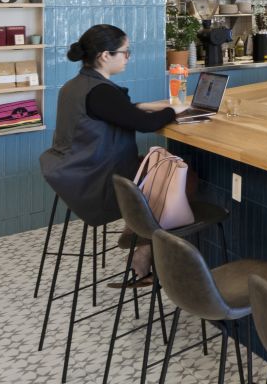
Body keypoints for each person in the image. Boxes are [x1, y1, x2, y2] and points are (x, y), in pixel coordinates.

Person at [41, 25, 177, 280]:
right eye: (125, 52)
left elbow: (116, 111)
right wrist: (174, 110)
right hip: (96, 179)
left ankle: (137, 228)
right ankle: (143, 244)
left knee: (157, 170)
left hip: (72, 171)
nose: (128, 57)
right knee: (175, 178)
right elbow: (146, 125)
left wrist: (144, 105)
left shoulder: (76, 85)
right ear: (105, 55)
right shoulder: (101, 91)